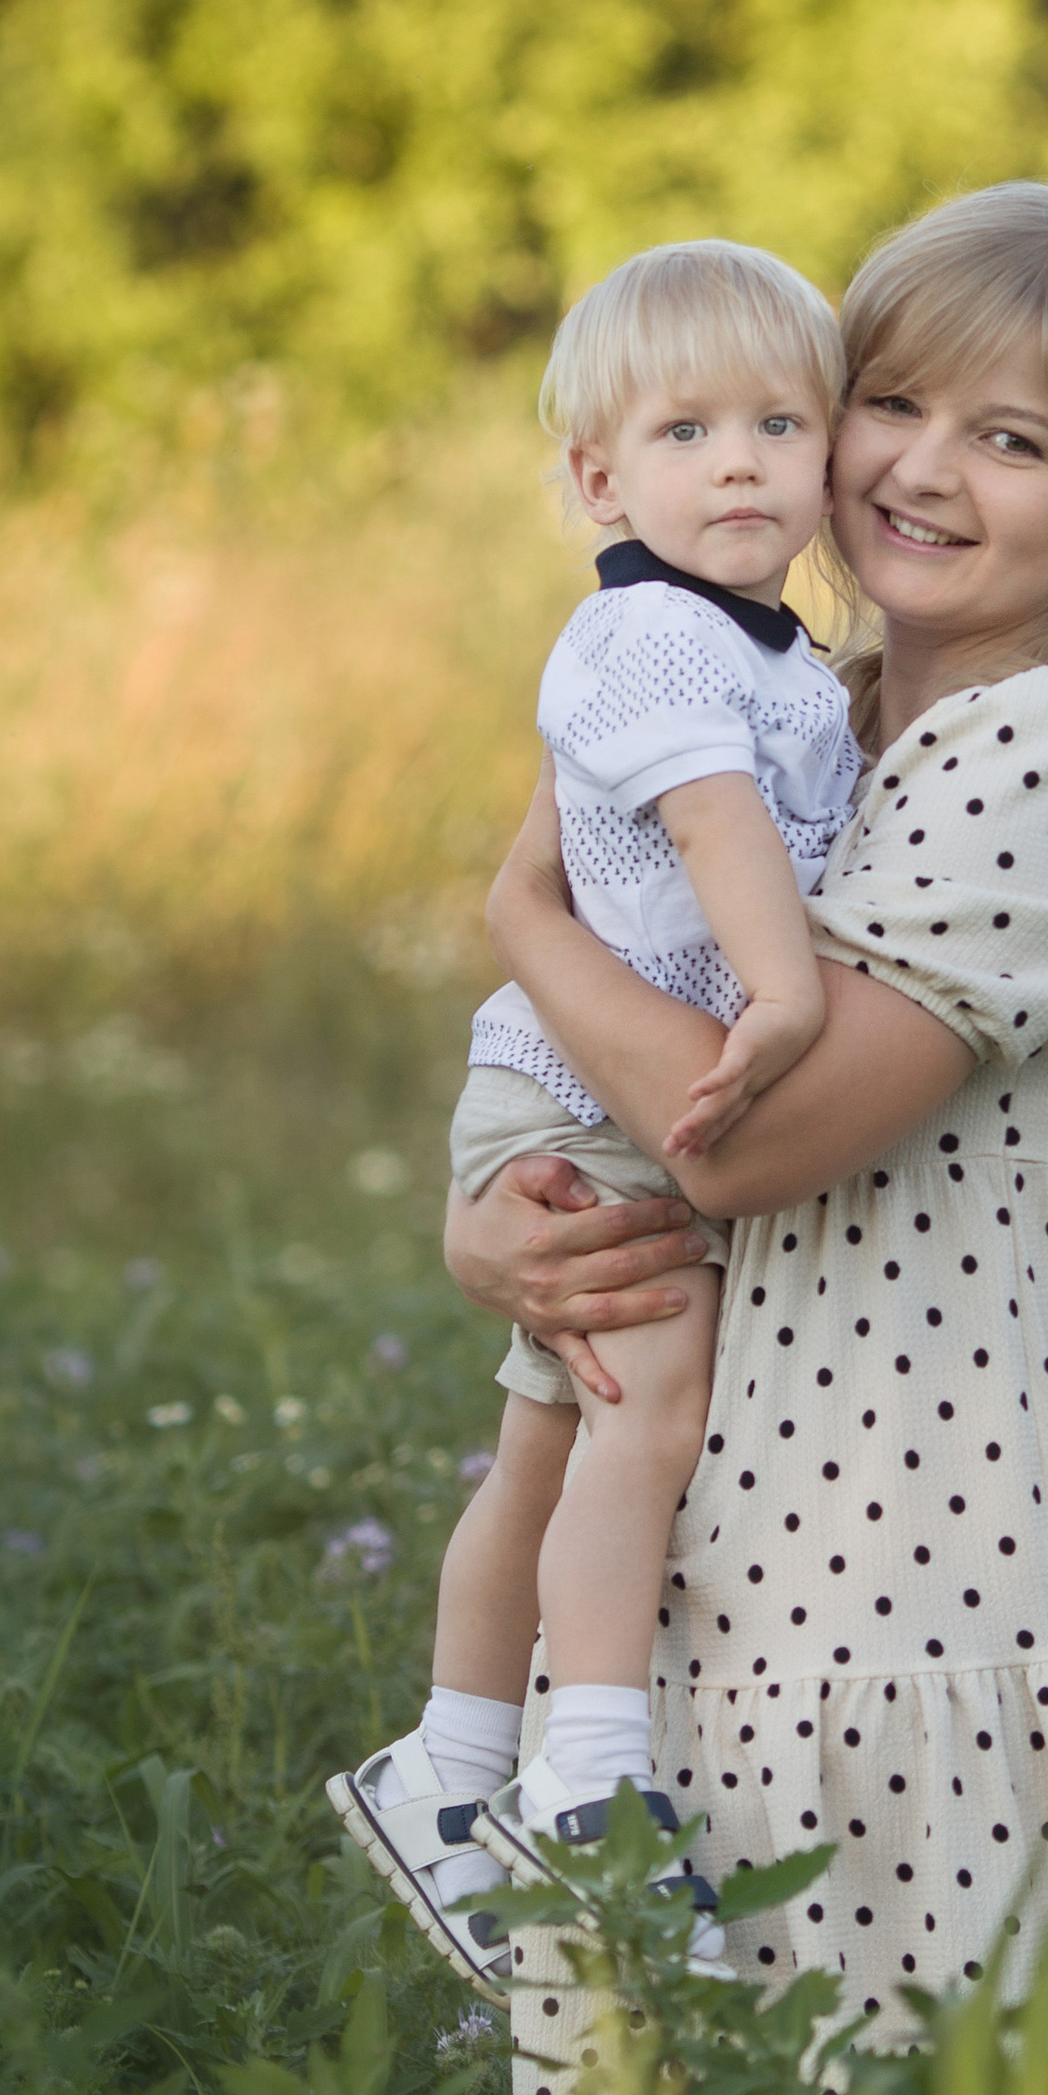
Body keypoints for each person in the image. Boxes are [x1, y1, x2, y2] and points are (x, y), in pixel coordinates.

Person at [447, 180, 1048, 2095]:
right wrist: (507, 1241)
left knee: (966, 2061)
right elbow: (606, 1091)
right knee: (739, 2079)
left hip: (968, 1513)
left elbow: (730, 1146)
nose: (927, 472)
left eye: (1014, 441)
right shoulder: (804, 718)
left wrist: (520, 917)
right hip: (759, 1518)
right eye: (893, 405)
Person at [327, 240, 862, 1993]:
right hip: (594, 1087)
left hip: (597, 1073)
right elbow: (715, 827)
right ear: (595, 477)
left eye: (781, 423)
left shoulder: (770, 645)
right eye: (687, 428)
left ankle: (448, 1767)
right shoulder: (645, 634)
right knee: (653, 1394)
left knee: (549, 1437)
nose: (738, 463)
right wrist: (785, 996)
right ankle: (592, 1784)